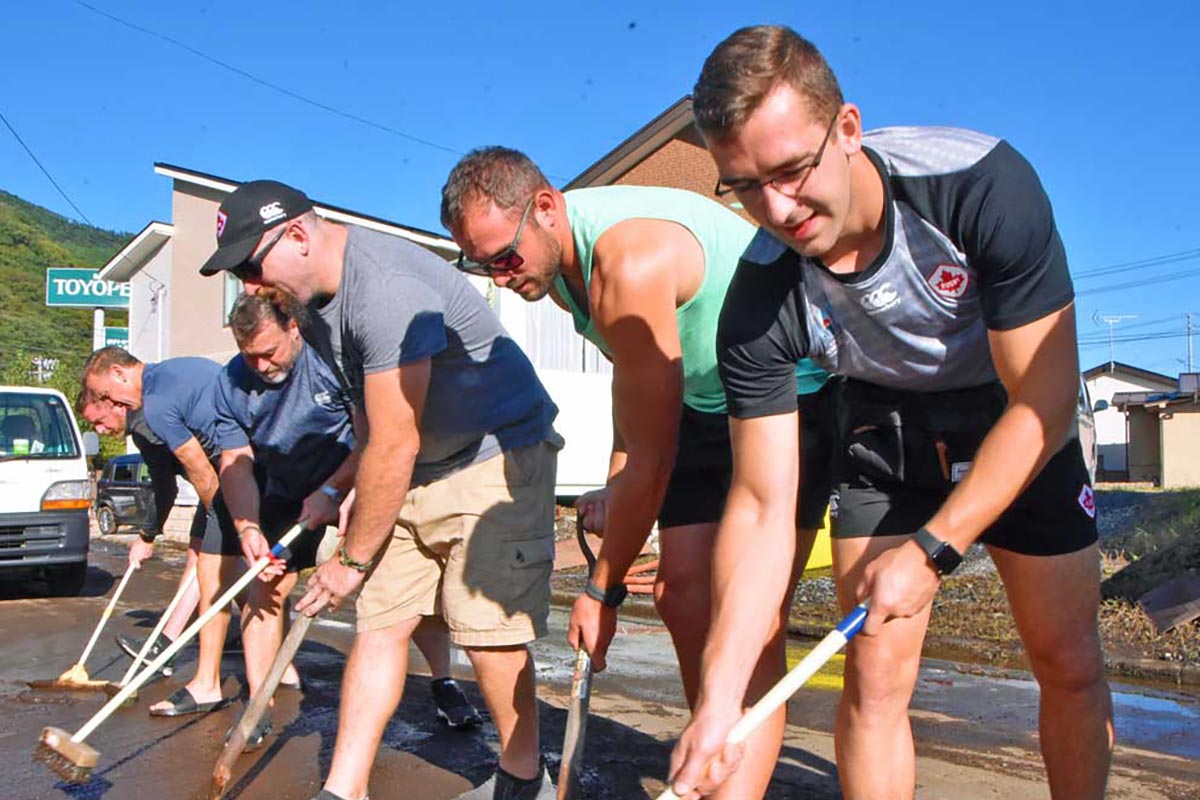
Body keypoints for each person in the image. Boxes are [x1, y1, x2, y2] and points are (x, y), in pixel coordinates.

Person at [667, 25, 1112, 800]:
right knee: (872, 674)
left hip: (1016, 416)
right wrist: (717, 703)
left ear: (846, 129)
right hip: (885, 427)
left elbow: (1042, 397)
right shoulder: (761, 300)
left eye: (791, 170)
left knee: (1067, 660)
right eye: (742, 184)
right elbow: (764, 507)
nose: (776, 207)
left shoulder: (980, 184)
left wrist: (937, 547)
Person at [442, 150, 836, 799]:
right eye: (480, 265)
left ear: (546, 207)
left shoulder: (625, 262)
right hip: (705, 404)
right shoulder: (565, 272)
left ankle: (730, 766)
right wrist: (613, 491)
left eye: (504, 258)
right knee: (680, 593)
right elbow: (636, 420)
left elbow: (651, 464)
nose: (499, 277)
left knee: (751, 619)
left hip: (795, 393)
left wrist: (602, 590)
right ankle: (715, 744)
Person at [198, 180, 561, 800]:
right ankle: (343, 791)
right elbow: (372, 424)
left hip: (494, 453)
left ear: (296, 234)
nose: (251, 287)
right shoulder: (312, 309)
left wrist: (352, 559)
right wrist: (347, 491)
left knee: (484, 629)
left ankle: (525, 778)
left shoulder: (385, 290)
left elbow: (397, 441)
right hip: (418, 459)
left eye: (251, 268)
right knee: (382, 622)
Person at [214, 289, 481, 748]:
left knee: (400, 591)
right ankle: (259, 704)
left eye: (268, 352)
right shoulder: (231, 382)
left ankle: (443, 681)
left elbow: (373, 439)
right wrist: (248, 527)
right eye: (249, 356)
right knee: (264, 584)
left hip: (356, 478)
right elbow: (235, 460)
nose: (260, 365)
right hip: (284, 485)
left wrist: (334, 489)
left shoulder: (329, 360)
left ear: (292, 328)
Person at [80, 349, 251, 716]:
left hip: (236, 471)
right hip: (236, 471)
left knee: (214, 564)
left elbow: (198, 473)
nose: (101, 428)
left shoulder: (152, 411)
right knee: (209, 561)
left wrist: (232, 522)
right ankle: (270, 663)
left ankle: (189, 661)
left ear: (118, 375)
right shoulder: (170, 376)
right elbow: (174, 482)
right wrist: (148, 534)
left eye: (105, 405)